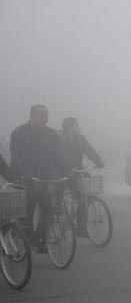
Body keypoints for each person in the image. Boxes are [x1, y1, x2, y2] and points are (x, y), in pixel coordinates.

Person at [9, 105, 68, 252]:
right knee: (26, 212)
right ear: (32, 116)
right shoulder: (19, 132)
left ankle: (39, 239)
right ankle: (26, 239)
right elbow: (16, 157)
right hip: (24, 179)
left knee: (48, 208)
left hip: (42, 179)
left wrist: (67, 171)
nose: (44, 119)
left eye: (45, 116)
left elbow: (58, 156)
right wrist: (23, 174)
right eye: (41, 115)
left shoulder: (51, 134)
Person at [61, 117, 105, 237]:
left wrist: (98, 161)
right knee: (78, 195)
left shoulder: (80, 139)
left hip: (78, 170)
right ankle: (67, 220)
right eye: (76, 125)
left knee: (86, 194)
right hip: (65, 172)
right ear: (69, 127)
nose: (79, 127)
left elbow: (89, 150)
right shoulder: (61, 139)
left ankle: (81, 226)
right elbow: (59, 156)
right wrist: (66, 169)